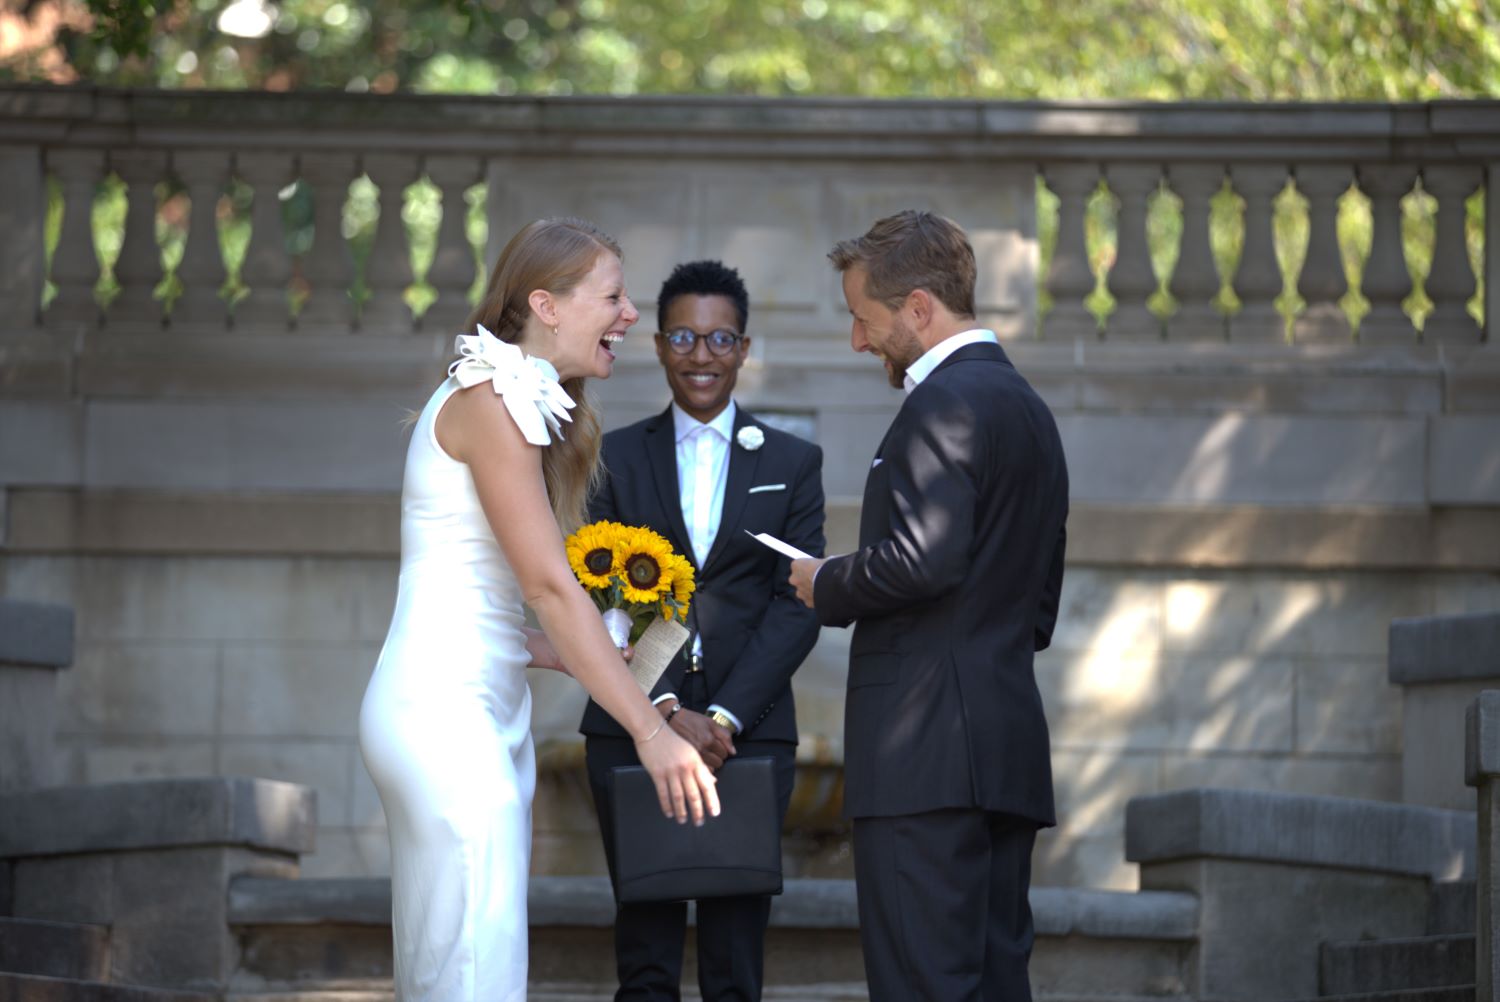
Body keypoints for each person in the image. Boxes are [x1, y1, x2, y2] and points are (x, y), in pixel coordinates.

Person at [358, 218, 720, 1002]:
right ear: (546, 305)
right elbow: (551, 586)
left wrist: (550, 652)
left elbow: (461, 584)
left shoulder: (507, 400)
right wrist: (650, 731)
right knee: (472, 968)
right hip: (443, 715)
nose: (631, 315)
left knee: (457, 960)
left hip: (483, 705)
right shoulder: (489, 399)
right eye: (615, 296)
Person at [788, 211, 1068, 1002]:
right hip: (1002, 751)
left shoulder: (941, 406)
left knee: (922, 985)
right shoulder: (1031, 413)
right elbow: (1039, 606)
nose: (857, 341)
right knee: (993, 985)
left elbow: (924, 558)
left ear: (917, 308)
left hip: (925, 766)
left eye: (862, 319)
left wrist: (826, 582)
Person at [580, 259, 826, 1002]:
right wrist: (659, 711)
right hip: (630, 726)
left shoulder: (794, 462)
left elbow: (798, 604)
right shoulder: (612, 457)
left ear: (744, 349)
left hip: (746, 735)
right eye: (684, 336)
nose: (701, 356)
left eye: (720, 339)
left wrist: (721, 716)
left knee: (733, 960)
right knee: (646, 955)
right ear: (658, 344)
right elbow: (599, 599)